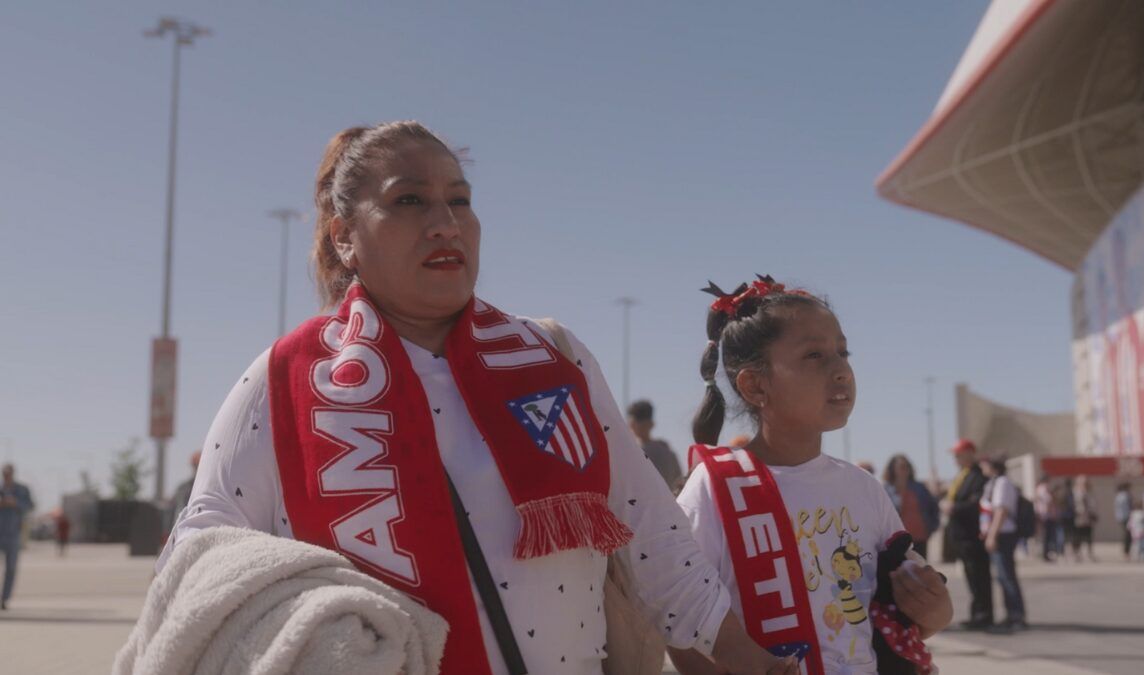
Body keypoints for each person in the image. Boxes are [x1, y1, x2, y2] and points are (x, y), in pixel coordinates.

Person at [158, 121, 795, 675]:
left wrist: (738, 649)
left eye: (459, 200)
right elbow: (202, 569)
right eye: (408, 200)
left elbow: (649, 524)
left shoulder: (554, 355)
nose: (444, 223)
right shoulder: (282, 381)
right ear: (344, 235)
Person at [672, 277, 952, 674]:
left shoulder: (863, 489)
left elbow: (900, 607)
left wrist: (936, 611)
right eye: (814, 356)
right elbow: (680, 620)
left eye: (843, 351)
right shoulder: (716, 489)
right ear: (754, 385)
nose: (841, 370)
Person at [943, 438, 993, 630]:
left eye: (958, 454)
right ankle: (977, 613)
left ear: (969, 454)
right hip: (962, 536)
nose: (955, 458)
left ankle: (984, 615)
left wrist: (954, 508)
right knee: (971, 576)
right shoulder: (963, 475)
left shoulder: (979, 476)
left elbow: (976, 504)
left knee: (979, 575)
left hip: (973, 535)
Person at [978, 455, 1027, 631]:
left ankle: (1016, 616)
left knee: (1006, 576)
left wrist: (992, 535)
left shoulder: (1002, 483)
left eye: (984, 463)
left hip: (1003, 535)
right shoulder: (993, 483)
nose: (981, 466)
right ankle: (1011, 614)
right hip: (998, 533)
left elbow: (1001, 511)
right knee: (1002, 576)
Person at [882, 454, 940, 559]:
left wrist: (932, 527)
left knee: (920, 569)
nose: (905, 470)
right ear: (893, 469)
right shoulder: (886, 490)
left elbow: (933, 508)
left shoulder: (920, 488)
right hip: (897, 539)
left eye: (907, 466)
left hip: (919, 536)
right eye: (901, 467)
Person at [626, 399, 685, 493]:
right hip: (669, 505)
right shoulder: (669, 453)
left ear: (632, 424)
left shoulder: (633, 454)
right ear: (651, 424)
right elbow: (680, 486)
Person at [0, 463, 35, 610]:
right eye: (4, 473)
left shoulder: (21, 490)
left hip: (14, 534)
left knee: (11, 568)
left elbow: (30, 506)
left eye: (9, 473)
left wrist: (15, 503)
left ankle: (4, 599)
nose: (7, 475)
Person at [1069, 476, 1099, 562]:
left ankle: (1089, 554)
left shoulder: (1089, 493)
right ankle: (1076, 554)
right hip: (1078, 518)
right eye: (1083, 483)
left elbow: (1092, 504)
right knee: (1077, 536)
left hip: (1087, 518)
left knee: (1088, 537)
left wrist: (1093, 514)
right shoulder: (1075, 492)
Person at [1034, 476, 1060, 561]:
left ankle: (1046, 553)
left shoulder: (1038, 488)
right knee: (1047, 536)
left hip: (1043, 515)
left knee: (1046, 536)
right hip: (1046, 516)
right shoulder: (1044, 488)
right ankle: (1046, 554)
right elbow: (1048, 501)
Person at [1114, 482, 1134, 560]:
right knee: (1128, 535)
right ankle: (1126, 552)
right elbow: (1130, 506)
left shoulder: (1118, 496)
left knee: (1127, 534)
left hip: (1121, 517)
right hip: (1126, 517)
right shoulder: (1126, 495)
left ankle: (1126, 551)